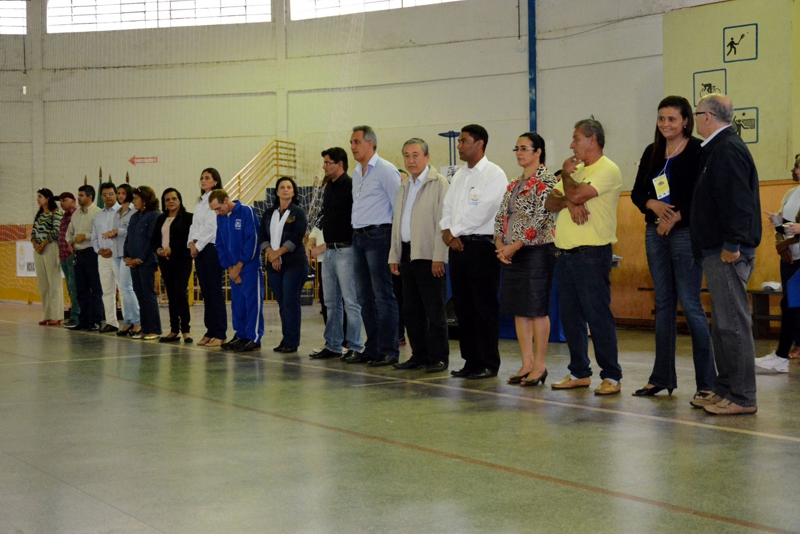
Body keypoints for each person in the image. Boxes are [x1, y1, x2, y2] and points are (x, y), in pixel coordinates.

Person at [630, 96, 715, 400]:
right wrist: (651, 203)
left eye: (672, 119)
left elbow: (703, 195)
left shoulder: (697, 151)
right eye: (661, 119)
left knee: (690, 305)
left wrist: (677, 217)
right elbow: (638, 192)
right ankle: (661, 378)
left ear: (686, 122)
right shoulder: (652, 152)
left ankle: (707, 383)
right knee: (663, 305)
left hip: (685, 233)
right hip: (655, 232)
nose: (666, 124)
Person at [690, 94, 761, 415]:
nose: (695, 118)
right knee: (722, 323)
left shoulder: (728, 150)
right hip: (715, 250)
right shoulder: (716, 150)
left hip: (727, 251)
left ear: (708, 117)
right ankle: (725, 387)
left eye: (697, 113)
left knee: (733, 323)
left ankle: (743, 395)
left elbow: (739, 203)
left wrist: (732, 244)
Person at [545, 119, 623, 395]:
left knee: (597, 315)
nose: (572, 145)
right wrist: (567, 201)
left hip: (592, 254)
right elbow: (550, 202)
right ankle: (579, 372)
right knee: (570, 316)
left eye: (576, 139)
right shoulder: (577, 169)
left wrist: (567, 181)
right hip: (565, 253)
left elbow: (577, 193)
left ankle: (611, 376)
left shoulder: (607, 169)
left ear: (593, 139)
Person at [440, 124, 508, 379]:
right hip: (457, 247)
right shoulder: (459, 176)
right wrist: (447, 232)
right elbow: (447, 207)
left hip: (481, 246)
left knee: (484, 306)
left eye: (463, 141)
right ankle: (471, 361)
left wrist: (454, 231)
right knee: (463, 307)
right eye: (459, 141)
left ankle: (488, 362)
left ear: (479, 144)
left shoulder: (494, 174)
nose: (459, 146)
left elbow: (487, 209)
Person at [494, 132, 557, 386]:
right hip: (511, 251)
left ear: (538, 152)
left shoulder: (547, 181)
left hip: (537, 251)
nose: (519, 152)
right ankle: (527, 363)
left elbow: (541, 218)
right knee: (520, 310)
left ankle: (540, 365)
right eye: (516, 148)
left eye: (524, 148)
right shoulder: (514, 183)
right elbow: (501, 215)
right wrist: (500, 243)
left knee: (536, 309)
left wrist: (516, 245)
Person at [389, 138, 450, 373]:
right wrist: (394, 255)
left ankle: (438, 357)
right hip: (406, 253)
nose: (411, 160)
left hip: (428, 254)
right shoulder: (404, 186)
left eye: (415, 155)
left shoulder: (439, 183)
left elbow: (442, 223)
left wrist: (439, 256)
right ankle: (419, 355)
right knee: (411, 310)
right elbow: (397, 223)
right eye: (406, 155)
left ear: (427, 157)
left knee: (434, 310)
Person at [347, 125, 402, 366]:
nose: (353, 147)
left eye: (357, 141)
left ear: (371, 143)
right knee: (364, 297)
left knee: (383, 296)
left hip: (380, 236)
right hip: (358, 237)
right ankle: (373, 347)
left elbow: (398, 208)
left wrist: (394, 246)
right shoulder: (357, 172)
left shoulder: (386, 170)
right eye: (351, 142)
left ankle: (389, 349)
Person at [309, 147, 365, 361]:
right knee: (331, 302)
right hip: (330, 251)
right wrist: (315, 238)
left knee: (350, 301)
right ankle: (333, 344)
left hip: (346, 250)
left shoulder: (351, 186)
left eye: (327, 163)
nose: (324, 166)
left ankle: (355, 346)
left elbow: (356, 219)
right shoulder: (329, 187)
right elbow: (325, 215)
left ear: (339, 164)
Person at [758, 154, 800, 371]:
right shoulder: (791, 193)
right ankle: (783, 354)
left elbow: (798, 228)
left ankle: (782, 356)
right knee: (791, 305)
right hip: (792, 257)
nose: (795, 170)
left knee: (791, 306)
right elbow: (787, 226)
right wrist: (778, 224)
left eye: (798, 166)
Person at [209, 189, 264, 352]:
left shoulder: (246, 211)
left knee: (252, 303)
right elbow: (219, 243)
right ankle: (241, 335)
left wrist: (239, 266)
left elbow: (252, 240)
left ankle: (253, 337)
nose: (217, 212)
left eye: (218, 208)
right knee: (238, 304)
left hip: (249, 268)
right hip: (234, 270)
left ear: (226, 200)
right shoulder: (221, 218)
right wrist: (230, 267)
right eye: (214, 210)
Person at [260, 177, 308, 353]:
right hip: (274, 264)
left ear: (294, 192)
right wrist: (270, 254)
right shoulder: (268, 213)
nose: (286, 189)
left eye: (289, 187)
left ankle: (292, 341)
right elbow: (262, 236)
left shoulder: (298, 212)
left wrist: (277, 254)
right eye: (282, 187)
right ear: (277, 191)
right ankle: (286, 339)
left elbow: (296, 237)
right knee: (282, 303)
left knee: (290, 301)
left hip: (294, 263)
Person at [188, 168, 228, 347]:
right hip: (199, 249)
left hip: (211, 248)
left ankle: (220, 332)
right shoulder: (201, 201)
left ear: (216, 181)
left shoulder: (215, 200)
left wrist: (198, 245)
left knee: (214, 292)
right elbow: (194, 225)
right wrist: (190, 243)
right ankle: (209, 330)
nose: (203, 181)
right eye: (201, 178)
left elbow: (212, 227)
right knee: (206, 292)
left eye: (207, 178)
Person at [154, 188, 194, 343]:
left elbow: (189, 239)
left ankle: (186, 330)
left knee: (179, 293)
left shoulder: (188, 218)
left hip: (182, 260)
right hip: (165, 261)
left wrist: (173, 248)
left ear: (180, 200)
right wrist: (159, 249)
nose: (171, 201)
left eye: (174, 198)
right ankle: (173, 330)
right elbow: (155, 239)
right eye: (167, 199)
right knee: (171, 295)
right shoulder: (160, 219)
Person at [124, 186, 162, 341]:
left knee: (148, 295)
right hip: (133, 261)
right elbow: (129, 237)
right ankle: (145, 328)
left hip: (146, 262)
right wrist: (127, 256)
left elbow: (151, 239)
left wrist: (141, 258)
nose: (133, 201)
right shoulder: (135, 216)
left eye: (136, 198)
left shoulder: (154, 215)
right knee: (140, 294)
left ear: (145, 199)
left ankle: (154, 329)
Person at [66, 184, 104, 331]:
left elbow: (101, 233)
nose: (78, 197)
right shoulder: (76, 214)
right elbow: (69, 232)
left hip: (92, 253)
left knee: (95, 288)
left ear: (90, 197)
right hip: (79, 255)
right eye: (78, 194)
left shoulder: (97, 213)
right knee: (81, 289)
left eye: (81, 195)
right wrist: (69, 241)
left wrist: (86, 236)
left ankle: (96, 320)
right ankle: (84, 320)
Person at [92, 182, 121, 333]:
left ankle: (132, 322)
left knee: (123, 289)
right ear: (101, 197)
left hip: (118, 256)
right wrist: (99, 251)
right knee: (107, 291)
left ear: (116, 194)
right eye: (104, 195)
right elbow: (94, 238)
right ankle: (111, 322)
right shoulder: (98, 215)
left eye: (111, 194)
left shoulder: (122, 212)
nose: (108, 197)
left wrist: (112, 250)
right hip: (102, 257)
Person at [32, 188, 64, 326]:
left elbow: (56, 231)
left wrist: (43, 244)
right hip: (38, 250)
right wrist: (35, 244)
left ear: (48, 198)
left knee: (54, 283)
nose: (38, 199)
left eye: (40, 197)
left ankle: (57, 315)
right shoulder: (39, 215)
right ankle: (47, 314)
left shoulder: (56, 213)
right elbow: (33, 231)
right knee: (43, 284)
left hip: (51, 248)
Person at [113, 184, 141, 336]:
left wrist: (118, 231)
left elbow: (132, 231)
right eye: (119, 193)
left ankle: (138, 320)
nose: (121, 196)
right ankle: (128, 320)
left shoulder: (134, 211)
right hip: (116, 252)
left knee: (126, 286)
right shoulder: (117, 212)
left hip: (128, 253)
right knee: (122, 289)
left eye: (123, 193)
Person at [58, 192, 81, 328]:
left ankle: (76, 315)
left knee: (74, 287)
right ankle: (75, 313)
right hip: (63, 256)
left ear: (73, 201)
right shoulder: (64, 216)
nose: (61, 203)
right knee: (70, 286)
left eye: (64, 200)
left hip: (72, 254)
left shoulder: (76, 215)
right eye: (60, 201)